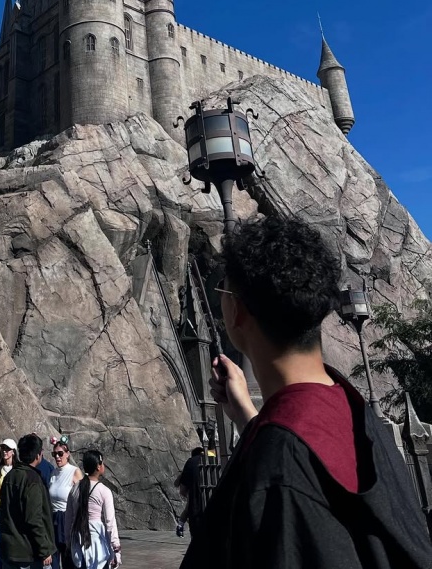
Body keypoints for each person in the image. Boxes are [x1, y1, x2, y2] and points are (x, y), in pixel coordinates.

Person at [181, 214, 432, 569]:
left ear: (237, 309)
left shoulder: (280, 467)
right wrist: (246, 417)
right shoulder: (354, 410)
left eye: (222, 288)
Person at [0, 433, 56, 569]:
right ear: (38, 455)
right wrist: (44, 549)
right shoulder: (32, 480)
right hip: (28, 554)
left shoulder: (9, 476)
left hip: (9, 550)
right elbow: (33, 519)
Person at [65, 450, 121, 569]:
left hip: (77, 542)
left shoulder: (74, 488)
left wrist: (68, 542)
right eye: (102, 463)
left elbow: (68, 519)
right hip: (97, 546)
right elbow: (110, 523)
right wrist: (116, 549)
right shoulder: (104, 491)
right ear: (98, 466)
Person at [48, 436, 83, 569]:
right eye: (54, 454)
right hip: (54, 519)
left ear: (67, 454)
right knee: (54, 559)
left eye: (60, 453)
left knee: (69, 559)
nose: (57, 457)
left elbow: (81, 499)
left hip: (67, 518)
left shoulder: (74, 471)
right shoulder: (53, 473)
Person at [0, 439, 18, 569]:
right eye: (3, 448)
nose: (4, 451)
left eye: (7, 449)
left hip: (11, 512)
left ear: (13, 452)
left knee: (9, 546)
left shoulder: (16, 470)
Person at [173, 447, 204, 539]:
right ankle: (180, 525)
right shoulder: (209, 459)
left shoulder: (191, 462)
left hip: (194, 493)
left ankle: (180, 526)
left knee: (188, 508)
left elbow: (180, 485)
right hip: (202, 491)